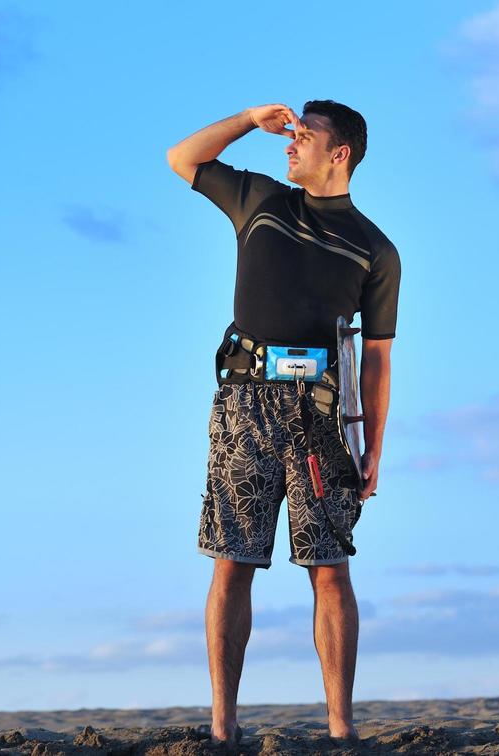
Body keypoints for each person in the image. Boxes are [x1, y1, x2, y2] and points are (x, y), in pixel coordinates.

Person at [165, 101, 400, 745]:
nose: (291, 142)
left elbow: (376, 360)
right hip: (245, 402)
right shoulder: (260, 199)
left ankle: (341, 729)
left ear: (340, 152)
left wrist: (373, 445)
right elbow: (182, 158)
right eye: (291, 133)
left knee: (330, 568)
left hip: (322, 417)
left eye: (306, 135)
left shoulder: (376, 250)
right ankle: (224, 728)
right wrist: (246, 119)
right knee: (231, 561)